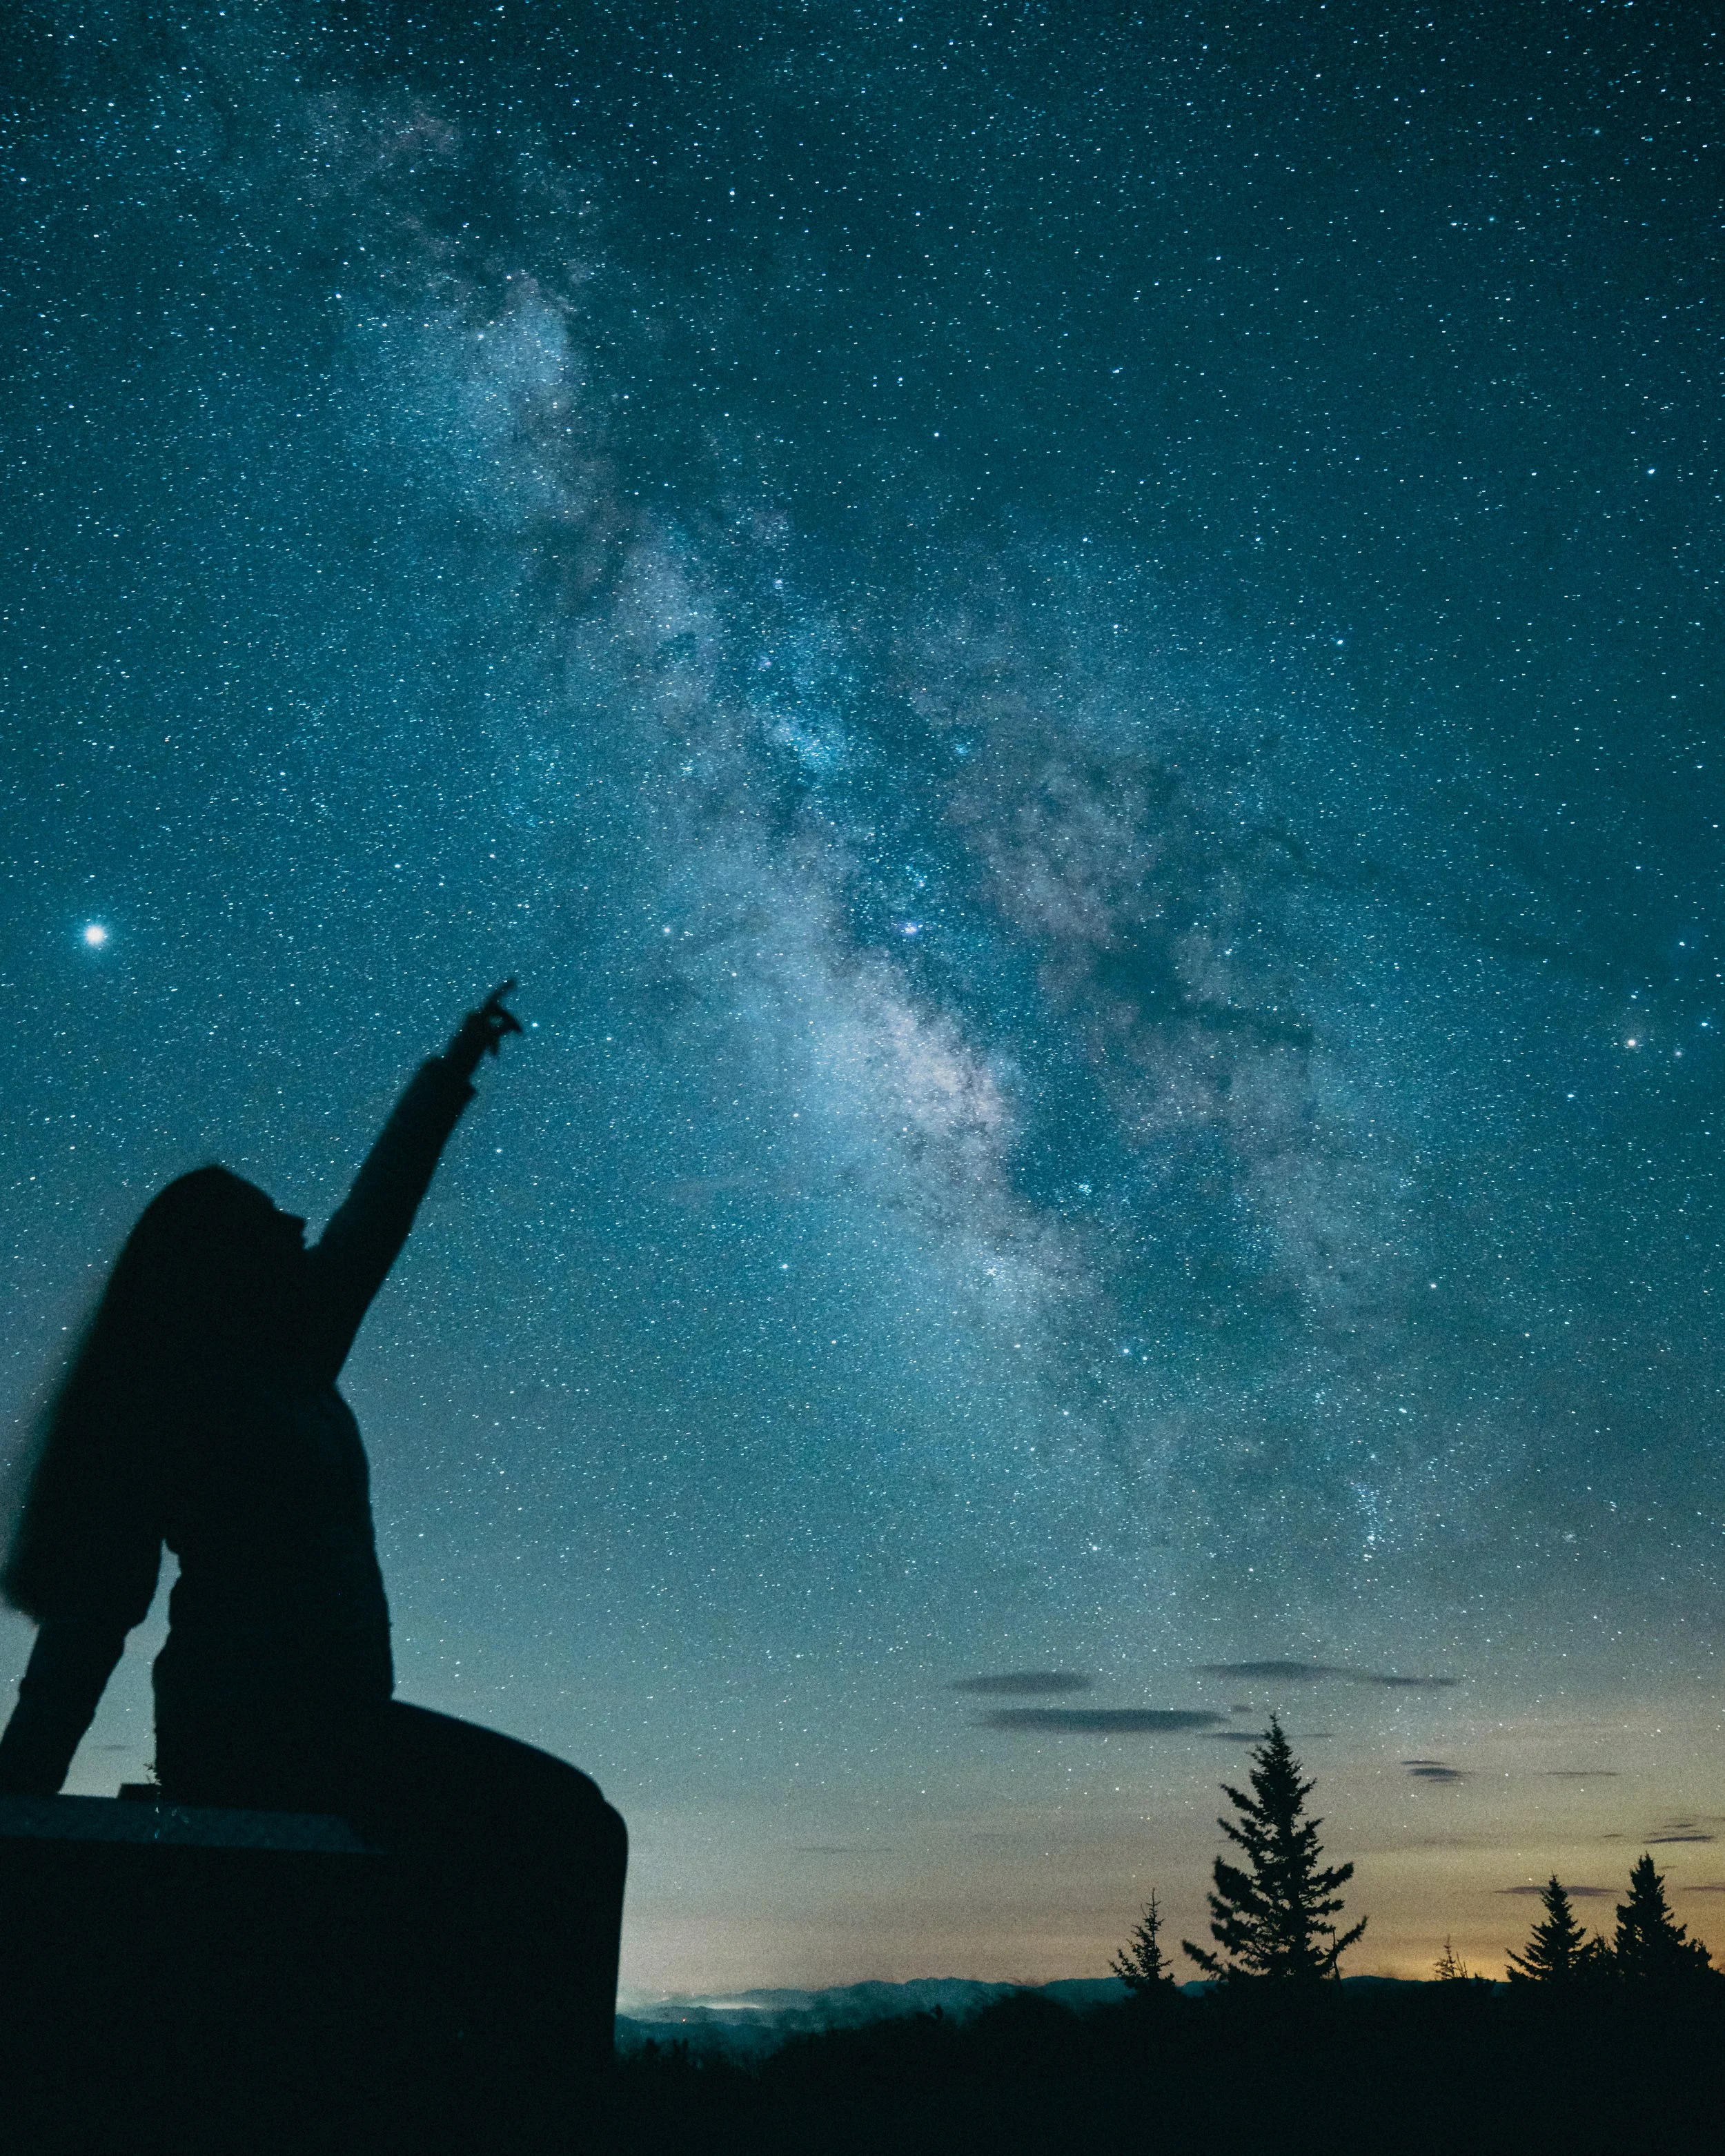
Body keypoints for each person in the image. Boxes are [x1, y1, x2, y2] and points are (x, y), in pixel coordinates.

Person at [0, 985, 626, 2080]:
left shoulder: (293, 1362)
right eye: (268, 1223)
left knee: (544, 1839)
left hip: (332, 1716)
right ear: (218, 1265)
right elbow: (91, 1623)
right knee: (568, 1829)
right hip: (259, 1732)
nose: (297, 1229)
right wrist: (18, 1806)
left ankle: (473, 2085)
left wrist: (450, 1073)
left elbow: (376, 1216)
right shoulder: (170, 1402)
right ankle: (526, 2102)